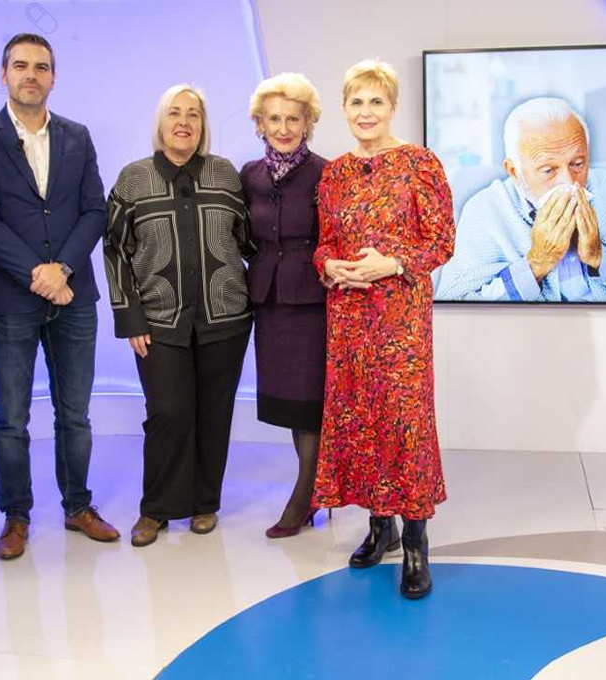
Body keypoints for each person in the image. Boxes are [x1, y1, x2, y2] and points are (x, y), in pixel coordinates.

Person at [0, 33, 115, 561]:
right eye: (20, 66)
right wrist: (36, 272)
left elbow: (95, 209)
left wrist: (64, 267)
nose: (31, 74)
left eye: (41, 67)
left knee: (76, 414)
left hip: (74, 294)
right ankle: (16, 517)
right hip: (11, 298)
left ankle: (78, 507)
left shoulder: (78, 135)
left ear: (53, 76)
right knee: (12, 417)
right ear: (3, 74)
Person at [312, 60, 455, 599]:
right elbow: (323, 243)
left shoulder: (420, 164)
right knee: (363, 418)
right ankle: (380, 529)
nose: (366, 112)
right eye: (356, 103)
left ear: (392, 107)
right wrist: (331, 267)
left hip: (401, 321)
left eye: (376, 102)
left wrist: (390, 263)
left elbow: (442, 242)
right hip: (348, 319)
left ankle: (416, 543)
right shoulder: (336, 173)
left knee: (404, 422)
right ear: (345, 109)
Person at [103, 84, 254, 548]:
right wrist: (130, 317)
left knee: (214, 412)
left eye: (193, 114)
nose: (184, 122)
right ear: (161, 122)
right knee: (167, 412)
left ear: (203, 125)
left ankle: (205, 503)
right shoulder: (133, 178)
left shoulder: (225, 174)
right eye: (175, 113)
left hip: (224, 318)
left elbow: (249, 239)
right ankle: (157, 509)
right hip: (158, 320)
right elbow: (114, 249)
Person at [434, 97, 606, 302]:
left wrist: (600, 256)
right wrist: (537, 262)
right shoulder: (485, 209)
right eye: (548, 170)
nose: (569, 182)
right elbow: (457, 306)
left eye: (578, 163)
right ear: (514, 171)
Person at [240, 73, 328, 539]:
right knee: (290, 404)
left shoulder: (326, 172)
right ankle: (312, 489)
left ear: (308, 122)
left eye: (293, 118)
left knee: (310, 402)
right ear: (259, 123)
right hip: (267, 300)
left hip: (312, 300)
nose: (283, 127)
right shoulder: (249, 175)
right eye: (274, 118)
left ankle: (305, 496)